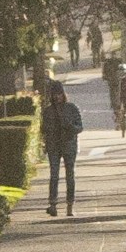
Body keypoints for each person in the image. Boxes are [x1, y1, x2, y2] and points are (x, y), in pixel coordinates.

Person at [38, 72, 83, 219]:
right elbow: (43, 129)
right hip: (54, 146)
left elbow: (79, 127)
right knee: (54, 175)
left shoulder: (72, 108)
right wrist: (47, 135)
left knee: (70, 176)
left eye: (59, 94)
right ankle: (53, 204)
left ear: (63, 94)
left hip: (69, 144)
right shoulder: (48, 111)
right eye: (54, 94)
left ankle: (70, 205)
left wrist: (69, 126)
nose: (57, 97)